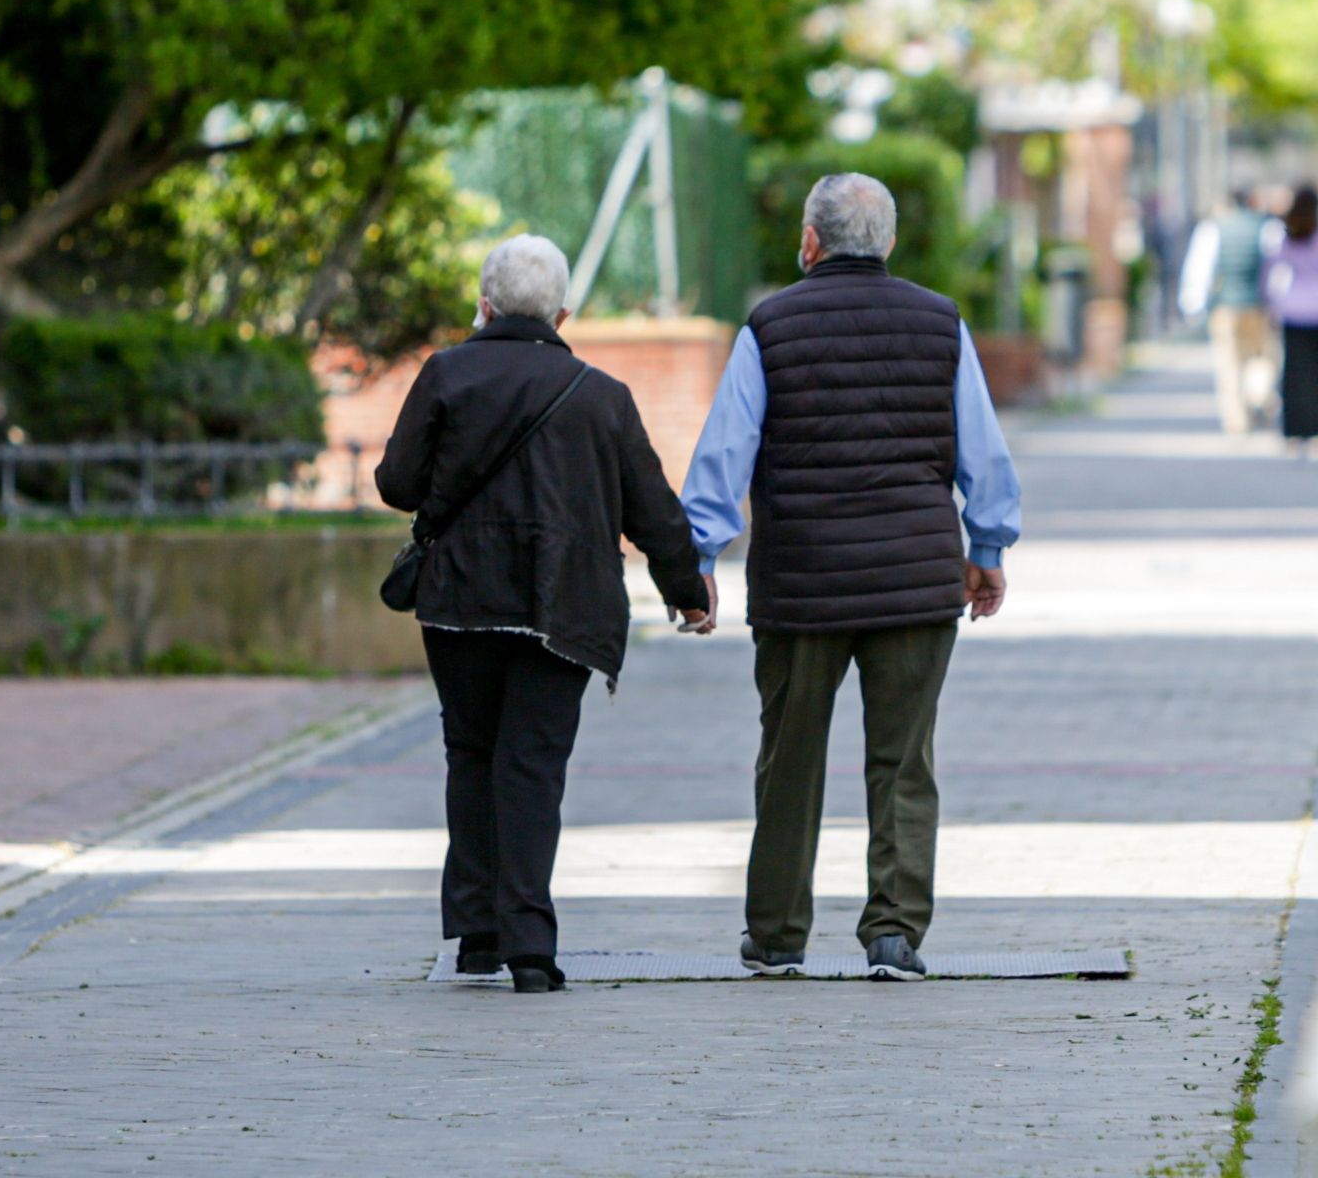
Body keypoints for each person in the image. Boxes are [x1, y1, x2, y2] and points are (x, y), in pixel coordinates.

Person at [680, 173, 1021, 982]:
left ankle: (776, 934)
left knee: (789, 758)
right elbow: (984, 453)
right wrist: (990, 548)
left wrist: (698, 559)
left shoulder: (770, 327)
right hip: (915, 579)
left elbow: (724, 454)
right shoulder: (941, 324)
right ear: (890, 243)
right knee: (904, 762)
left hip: (803, 584)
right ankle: (894, 933)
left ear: (809, 242)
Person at [376, 234, 710, 994]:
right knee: (533, 767)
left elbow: (398, 484)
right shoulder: (602, 396)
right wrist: (686, 588)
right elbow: (653, 508)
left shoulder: (446, 374)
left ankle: (476, 936)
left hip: (459, 602)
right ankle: (531, 946)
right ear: (564, 312)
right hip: (564, 607)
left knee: (471, 754)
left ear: (483, 305)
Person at [1264, 185, 1318, 455]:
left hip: (1294, 311)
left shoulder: (1286, 238)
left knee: (1295, 373)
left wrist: (1270, 303)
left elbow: (1269, 272)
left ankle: (1295, 428)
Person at [1182, 189, 1273, 433]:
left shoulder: (1214, 228)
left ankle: (1236, 419)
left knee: (1229, 364)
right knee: (1260, 358)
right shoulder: (1265, 226)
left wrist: (1193, 306)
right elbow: (1275, 269)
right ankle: (1257, 396)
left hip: (1225, 305)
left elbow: (1200, 269)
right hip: (1258, 305)